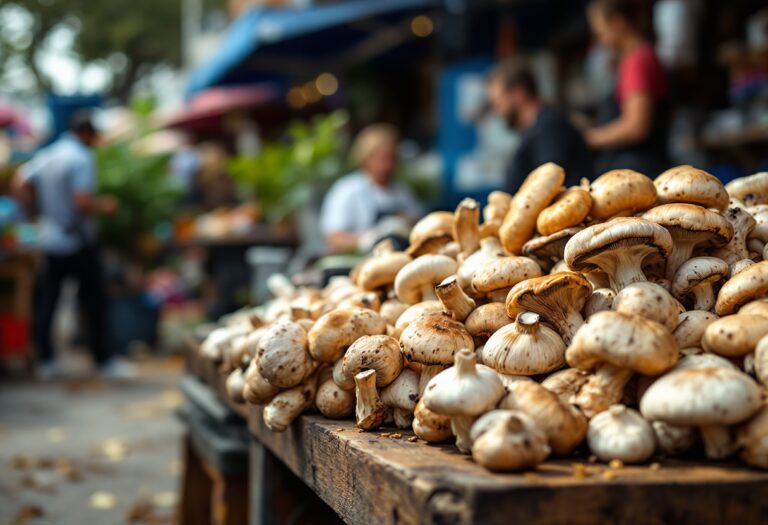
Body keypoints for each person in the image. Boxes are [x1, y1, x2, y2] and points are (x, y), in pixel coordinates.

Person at [14, 111, 132, 379]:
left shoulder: (49, 154)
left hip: (50, 237)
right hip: (76, 240)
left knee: (49, 300)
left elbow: (20, 181)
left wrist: (35, 211)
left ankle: (46, 360)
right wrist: (106, 205)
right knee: (94, 300)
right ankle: (103, 359)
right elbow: (81, 201)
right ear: (87, 134)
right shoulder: (81, 157)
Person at [584, 0, 670, 176]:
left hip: (640, 167)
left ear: (618, 23)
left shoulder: (638, 61)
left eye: (601, 33)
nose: (600, 40)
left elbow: (636, 125)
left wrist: (590, 138)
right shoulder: (636, 57)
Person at [487, 60, 593, 192]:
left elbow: (549, 183)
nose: (497, 112)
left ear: (518, 94)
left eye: (498, 104)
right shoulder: (538, 129)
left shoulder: (549, 128)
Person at [320, 124, 422, 253]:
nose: (389, 165)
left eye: (393, 159)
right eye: (384, 159)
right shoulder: (347, 190)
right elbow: (333, 238)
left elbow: (418, 224)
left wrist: (405, 223)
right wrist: (365, 240)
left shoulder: (401, 191)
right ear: (366, 158)